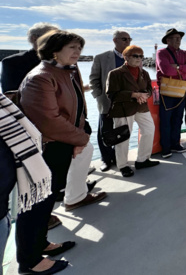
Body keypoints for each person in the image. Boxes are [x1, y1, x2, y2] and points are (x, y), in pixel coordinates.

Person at [19, 30, 107, 212]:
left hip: (67, 136)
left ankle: (75, 197)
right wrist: (80, 138)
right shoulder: (41, 77)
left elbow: (76, 106)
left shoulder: (68, 71)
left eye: (80, 47)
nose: (78, 51)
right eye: (72, 47)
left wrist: (81, 135)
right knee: (45, 194)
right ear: (54, 51)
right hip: (52, 143)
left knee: (83, 154)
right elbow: (48, 120)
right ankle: (37, 237)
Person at [0, 22, 63, 231]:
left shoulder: (58, 62)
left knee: (52, 176)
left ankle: (44, 216)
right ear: (37, 40)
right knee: (32, 178)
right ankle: (36, 227)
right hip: (30, 131)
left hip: (57, 128)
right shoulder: (13, 62)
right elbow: (10, 98)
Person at [0, 92, 69, 275]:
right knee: (33, 209)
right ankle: (30, 260)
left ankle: (39, 246)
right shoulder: (39, 77)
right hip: (41, 158)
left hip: (12, 191)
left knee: (42, 204)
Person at [106, 45, 160, 177]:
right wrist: (134, 95)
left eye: (141, 56)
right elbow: (111, 94)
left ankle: (142, 160)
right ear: (126, 57)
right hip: (123, 109)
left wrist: (144, 96)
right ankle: (123, 166)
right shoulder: (115, 73)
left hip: (141, 107)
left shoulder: (144, 73)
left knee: (148, 130)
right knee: (123, 138)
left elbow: (148, 89)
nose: (139, 58)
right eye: (135, 56)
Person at [89, 30, 132, 172]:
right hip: (107, 102)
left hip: (127, 102)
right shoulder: (101, 58)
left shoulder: (133, 57)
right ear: (115, 40)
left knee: (123, 130)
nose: (128, 42)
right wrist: (99, 96)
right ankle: (106, 159)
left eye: (129, 39)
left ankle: (118, 157)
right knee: (105, 130)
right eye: (124, 39)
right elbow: (94, 79)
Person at [156, 28, 186, 158]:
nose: (179, 40)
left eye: (179, 38)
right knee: (166, 121)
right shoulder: (161, 52)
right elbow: (166, 70)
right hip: (167, 92)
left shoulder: (184, 53)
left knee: (178, 119)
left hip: (181, 91)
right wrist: (183, 68)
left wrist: (178, 67)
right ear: (168, 40)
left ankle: (175, 144)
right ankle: (165, 148)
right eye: (176, 38)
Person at [1, 23, 59, 93]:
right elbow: (11, 94)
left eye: (58, 38)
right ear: (34, 38)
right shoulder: (13, 62)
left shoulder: (64, 60)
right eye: (51, 37)